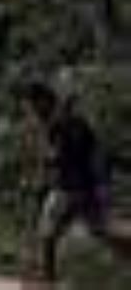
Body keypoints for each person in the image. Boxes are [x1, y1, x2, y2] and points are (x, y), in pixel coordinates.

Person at [21, 80, 131, 283]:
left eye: (31, 104)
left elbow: (65, 156)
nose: (30, 110)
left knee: (47, 236)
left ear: (43, 101)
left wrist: (47, 162)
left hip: (70, 188)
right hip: (82, 187)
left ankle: (47, 282)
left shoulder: (61, 123)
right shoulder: (63, 121)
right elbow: (93, 151)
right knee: (101, 231)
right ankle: (46, 280)